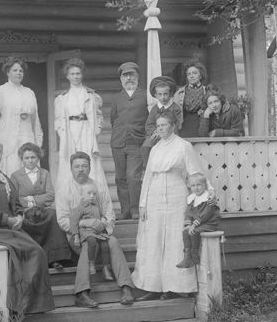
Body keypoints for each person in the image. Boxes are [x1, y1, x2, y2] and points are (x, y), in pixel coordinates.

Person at [0, 136, 54, 316]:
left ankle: (28, 304)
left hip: (4, 228)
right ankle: (20, 305)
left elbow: (15, 202)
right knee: (33, 251)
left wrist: (20, 215)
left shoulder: (3, 177)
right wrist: (8, 220)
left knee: (37, 251)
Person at [132, 110, 214, 300]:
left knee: (175, 239)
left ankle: (176, 286)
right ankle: (152, 285)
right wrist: (143, 204)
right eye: (158, 125)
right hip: (154, 196)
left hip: (177, 194)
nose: (159, 128)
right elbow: (148, 177)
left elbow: (195, 173)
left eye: (163, 125)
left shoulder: (184, 146)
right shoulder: (155, 149)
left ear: (173, 126)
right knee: (154, 238)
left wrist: (208, 192)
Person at [55, 152, 135, 308]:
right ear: (71, 169)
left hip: (100, 233)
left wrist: (103, 223)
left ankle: (126, 287)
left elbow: (109, 213)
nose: (81, 169)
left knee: (113, 242)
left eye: (84, 166)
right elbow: (62, 220)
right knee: (88, 245)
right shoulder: (64, 190)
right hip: (77, 236)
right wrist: (85, 223)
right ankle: (82, 293)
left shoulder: (98, 187)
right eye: (77, 166)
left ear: (90, 168)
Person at [10, 142, 72, 270]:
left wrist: (31, 199)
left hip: (43, 210)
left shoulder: (45, 173)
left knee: (53, 214)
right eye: (27, 158)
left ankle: (55, 258)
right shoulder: (15, 176)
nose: (30, 160)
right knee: (23, 220)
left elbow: (50, 195)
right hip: (25, 211)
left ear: (38, 158)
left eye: (33, 157)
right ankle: (31, 259)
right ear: (22, 159)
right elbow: (15, 199)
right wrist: (31, 202)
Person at [0, 57, 43, 175]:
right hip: (8, 138)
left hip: (27, 136)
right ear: (8, 72)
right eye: (15, 70)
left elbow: (35, 119)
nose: (18, 73)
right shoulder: (0, 91)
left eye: (21, 71)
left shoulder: (29, 92)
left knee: (29, 168)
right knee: (11, 168)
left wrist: (37, 139)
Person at [54, 57, 106, 188]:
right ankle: (71, 195)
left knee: (89, 161)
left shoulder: (92, 96)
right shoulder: (62, 98)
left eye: (78, 73)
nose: (75, 77)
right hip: (70, 131)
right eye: (72, 74)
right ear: (67, 76)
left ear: (82, 74)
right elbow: (58, 120)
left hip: (86, 130)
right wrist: (62, 134)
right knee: (70, 162)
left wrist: (97, 130)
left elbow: (99, 115)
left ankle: (92, 193)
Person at [109, 62, 148, 220]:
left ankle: (135, 209)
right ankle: (125, 210)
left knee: (133, 176)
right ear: (121, 79)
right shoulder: (117, 98)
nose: (129, 78)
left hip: (137, 141)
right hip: (118, 142)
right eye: (125, 75)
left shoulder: (145, 95)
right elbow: (113, 118)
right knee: (120, 178)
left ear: (137, 77)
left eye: (132, 75)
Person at [70, 181, 113, 281]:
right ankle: (91, 264)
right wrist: (76, 236)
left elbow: (102, 215)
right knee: (92, 241)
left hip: (97, 231)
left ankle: (106, 268)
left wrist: (104, 219)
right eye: (89, 193)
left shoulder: (96, 206)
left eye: (94, 194)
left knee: (105, 245)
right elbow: (74, 222)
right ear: (82, 195)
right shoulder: (79, 208)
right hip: (86, 231)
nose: (92, 196)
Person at [177, 172, 221, 268]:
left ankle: (194, 255)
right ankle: (187, 257)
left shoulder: (208, 198)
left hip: (208, 223)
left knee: (194, 232)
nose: (196, 188)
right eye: (193, 185)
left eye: (199, 185)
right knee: (185, 232)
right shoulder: (192, 198)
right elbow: (188, 213)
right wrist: (188, 225)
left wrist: (194, 225)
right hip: (198, 224)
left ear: (205, 185)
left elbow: (206, 214)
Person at [141, 75, 183, 168]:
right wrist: (155, 132)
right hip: (156, 135)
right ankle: (149, 168)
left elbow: (178, 124)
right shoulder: (154, 109)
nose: (163, 97)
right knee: (146, 146)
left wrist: (167, 132)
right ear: (155, 95)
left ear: (171, 94)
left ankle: (168, 166)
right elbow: (149, 125)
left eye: (165, 94)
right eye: (160, 94)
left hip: (171, 135)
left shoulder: (175, 108)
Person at [174, 61, 208, 138]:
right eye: (189, 74)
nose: (191, 76)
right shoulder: (179, 93)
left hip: (202, 125)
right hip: (185, 126)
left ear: (201, 76)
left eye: (194, 73)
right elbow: (175, 113)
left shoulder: (207, 91)